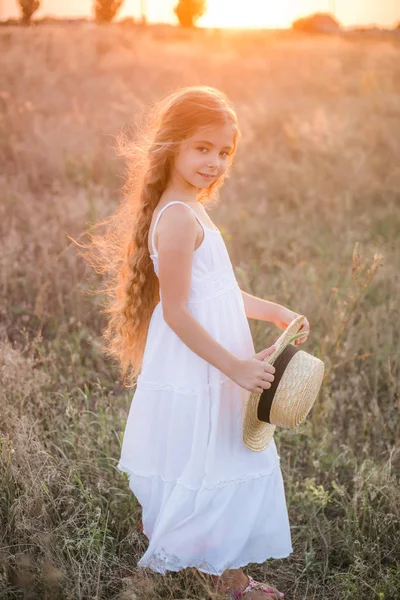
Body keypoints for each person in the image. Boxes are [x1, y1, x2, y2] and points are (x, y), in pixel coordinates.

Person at [86, 85, 310, 600]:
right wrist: (234, 366)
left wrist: (272, 311)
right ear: (172, 147)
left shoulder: (186, 207)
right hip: (205, 363)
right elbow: (177, 311)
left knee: (206, 453)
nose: (214, 162)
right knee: (217, 456)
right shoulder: (180, 217)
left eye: (225, 152)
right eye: (202, 148)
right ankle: (234, 583)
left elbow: (216, 291)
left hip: (209, 359)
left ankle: (203, 553)